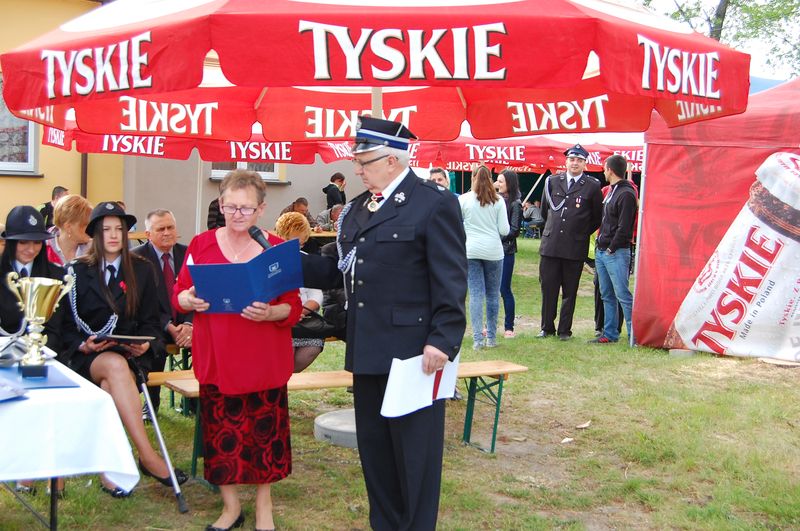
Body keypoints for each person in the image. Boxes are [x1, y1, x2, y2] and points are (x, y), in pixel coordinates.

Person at [302, 116, 467, 530]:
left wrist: (442, 340)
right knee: (376, 455)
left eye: (364, 161)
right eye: (357, 161)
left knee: (415, 458)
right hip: (368, 349)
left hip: (414, 354)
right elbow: (341, 270)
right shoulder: (359, 207)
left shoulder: (433, 202)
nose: (357, 169)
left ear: (392, 160)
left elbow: (450, 279)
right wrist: (280, 265)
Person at [174, 170, 302, 531]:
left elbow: (292, 307)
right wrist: (187, 298)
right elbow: (179, 293)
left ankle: (264, 507)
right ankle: (231, 507)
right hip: (217, 357)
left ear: (261, 209)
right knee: (221, 437)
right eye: (230, 207)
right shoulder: (201, 245)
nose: (237, 215)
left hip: (263, 359)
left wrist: (270, 312)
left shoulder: (275, 247)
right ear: (220, 205)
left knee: (265, 437)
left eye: (246, 209)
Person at [60, 202, 188, 497]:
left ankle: (110, 472)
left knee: (111, 382)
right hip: (84, 357)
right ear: (95, 234)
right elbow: (65, 324)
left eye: (119, 229)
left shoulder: (141, 270)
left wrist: (146, 342)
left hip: (130, 358)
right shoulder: (78, 271)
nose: (114, 235)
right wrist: (82, 343)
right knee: (112, 368)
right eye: (106, 230)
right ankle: (149, 457)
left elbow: (153, 321)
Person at [0, 206, 67, 496]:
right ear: (10, 242)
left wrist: (36, 350)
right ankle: (22, 469)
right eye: (23, 241)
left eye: (36, 242)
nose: (30, 249)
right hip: (2, 357)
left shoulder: (55, 274)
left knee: (46, 395)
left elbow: (57, 328)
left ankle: (53, 472)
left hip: (41, 356)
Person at [132, 209, 193, 419]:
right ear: (148, 234)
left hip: (186, 323)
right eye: (161, 229)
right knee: (153, 347)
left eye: (171, 227)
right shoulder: (136, 259)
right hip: (154, 324)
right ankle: (151, 403)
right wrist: (168, 325)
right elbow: (140, 304)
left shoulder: (189, 255)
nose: (167, 233)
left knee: (210, 342)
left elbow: (201, 292)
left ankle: (197, 403)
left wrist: (188, 325)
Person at [539, 145, 603, 340]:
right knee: (548, 288)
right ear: (566, 161)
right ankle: (546, 327)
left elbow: (596, 217)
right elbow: (545, 211)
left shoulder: (592, 186)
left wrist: (578, 233)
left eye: (579, 160)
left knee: (569, 291)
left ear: (585, 164)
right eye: (572, 159)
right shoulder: (552, 181)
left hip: (574, 246)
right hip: (551, 245)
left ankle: (564, 330)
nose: (575, 163)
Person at [460, 165, 510, 349]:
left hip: (471, 250)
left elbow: (457, 225)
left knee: (475, 294)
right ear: (491, 178)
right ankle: (491, 337)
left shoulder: (463, 200)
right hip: (493, 251)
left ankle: (477, 340)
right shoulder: (498, 201)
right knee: (492, 295)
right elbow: (505, 229)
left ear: (473, 177)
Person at [591, 155, 638, 345]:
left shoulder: (626, 193)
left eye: (604, 168)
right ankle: (610, 333)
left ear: (610, 169)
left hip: (615, 251)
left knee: (622, 294)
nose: (603, 171)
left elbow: (624, 227)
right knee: (607, 294)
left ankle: (634, 335)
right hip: (603, 250)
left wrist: (611, 247)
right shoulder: (611, 191)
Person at [274, 212, 326, 372]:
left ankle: (282, 378)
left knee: (312, 348)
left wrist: (301, 311)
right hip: (277, 319)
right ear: (280, 236)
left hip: (304, 317)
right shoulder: (268, 260)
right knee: (285, 352)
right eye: (290, 242)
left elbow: (317, 294)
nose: (295, 249)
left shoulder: (306, 260)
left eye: (300, 244)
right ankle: (278, 382)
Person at [497, 170, 523, 339]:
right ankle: (489, 324)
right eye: (497, 181)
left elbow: (514, 230)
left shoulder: (515, 203)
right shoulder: (495, 200)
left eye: (501, 181)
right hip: (492, 250)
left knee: (504, 288)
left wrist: (497, 238)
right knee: (491, 290)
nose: (498, 184)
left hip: (506, 250)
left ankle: (509, 326)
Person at [45, 194, 92, 265]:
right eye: (86, 225)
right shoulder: (43, 249)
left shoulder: (93, 250)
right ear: (68, 227)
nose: (91, 228)